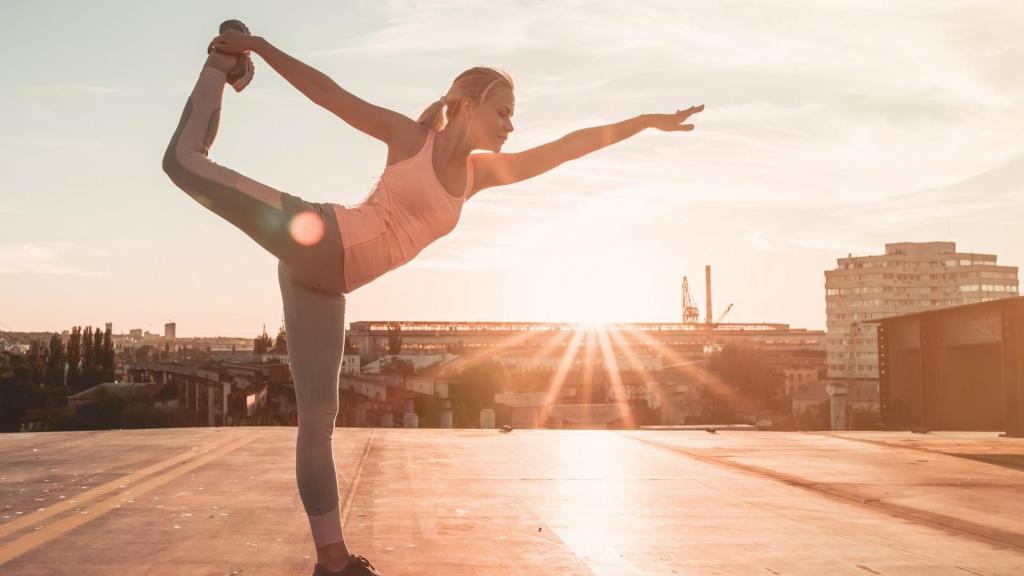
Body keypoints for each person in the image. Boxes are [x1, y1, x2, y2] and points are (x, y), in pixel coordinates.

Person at [163, 19, 703, 576]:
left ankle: (332, 560)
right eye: (503, 111)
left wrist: (646, 123)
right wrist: (256, 47)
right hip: (319, 235)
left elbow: (567, 149)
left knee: (318, 418)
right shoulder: (410, 139)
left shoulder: (480, 176)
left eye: (514, 115)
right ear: (467, 106)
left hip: (326, 282)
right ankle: (221, 61)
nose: (512, 125)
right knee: (183, 162)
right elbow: (329, 94)